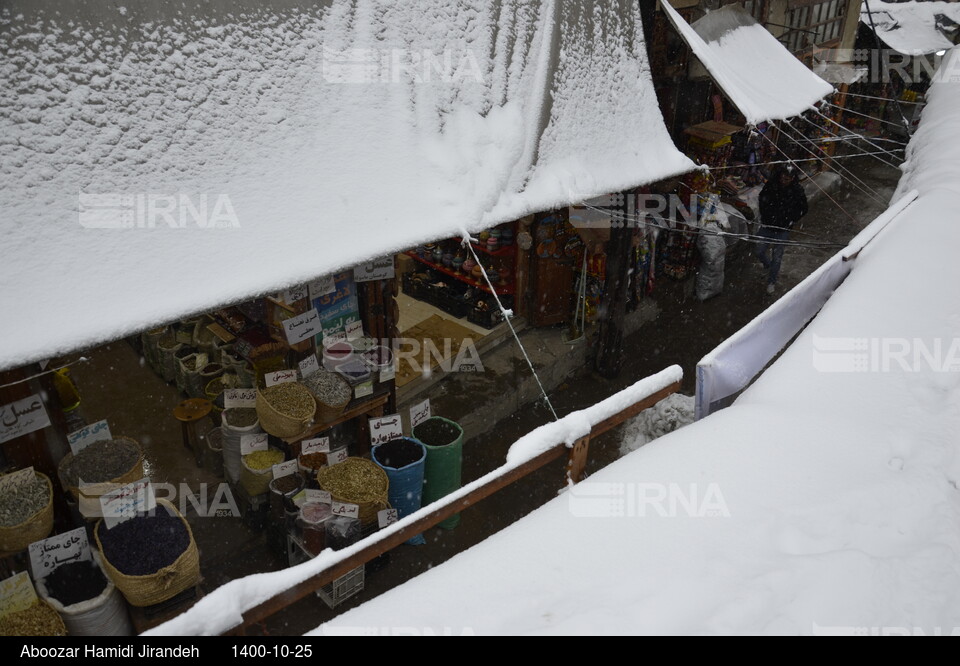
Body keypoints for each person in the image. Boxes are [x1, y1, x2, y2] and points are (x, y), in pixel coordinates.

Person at [756, 164, 808, 294]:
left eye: (788, 179)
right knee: (759, 250)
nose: (784, 181)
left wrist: (791, 219)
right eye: (783, 177)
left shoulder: (797, 190)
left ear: (792, 178)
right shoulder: (772, 185)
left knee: (777, 257)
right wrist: (766, 214)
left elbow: (803, 208)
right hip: (767, 225)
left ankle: (771, 281)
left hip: (783, 229)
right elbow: (762, 199)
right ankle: (768, 266)